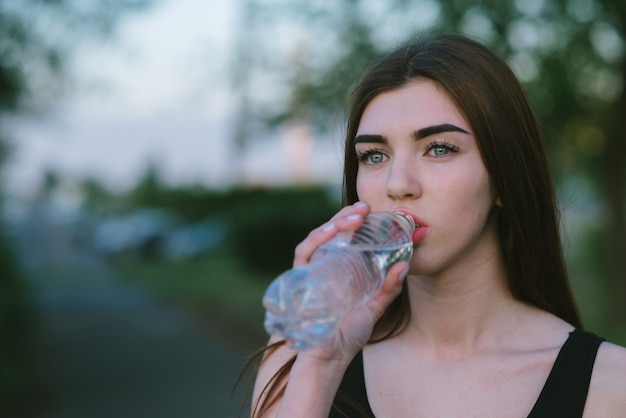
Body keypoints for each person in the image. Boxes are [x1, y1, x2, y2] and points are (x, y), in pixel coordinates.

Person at [246, 33, 626, 417]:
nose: (398, 184)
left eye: (439, 149)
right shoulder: (296, 362)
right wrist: (321, 368)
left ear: (504, 177)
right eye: (374, 155)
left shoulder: (611, 385)